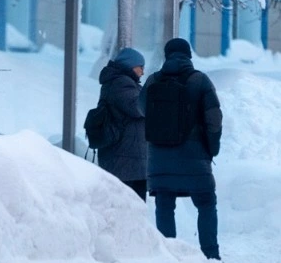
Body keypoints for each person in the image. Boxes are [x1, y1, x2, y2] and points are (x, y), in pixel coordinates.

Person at [140, 38, 223, 260]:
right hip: (195, 160)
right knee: (206, 203)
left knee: (164, 205)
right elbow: (214, 119)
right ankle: (210, 256)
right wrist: (211, 148)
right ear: (188, 56)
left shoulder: (152, 81)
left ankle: (167, 255)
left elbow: (141, 110)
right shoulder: (200, 81)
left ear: (167, 56)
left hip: (159, 160)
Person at [96, 47, 147, 200]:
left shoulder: (123, 82)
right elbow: (138, 107)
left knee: (132, 209)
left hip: (128, 158)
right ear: (131, 65)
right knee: (129, 208)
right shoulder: (121, 83)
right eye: (141, 67)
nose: (143, 72)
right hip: (124, 159)